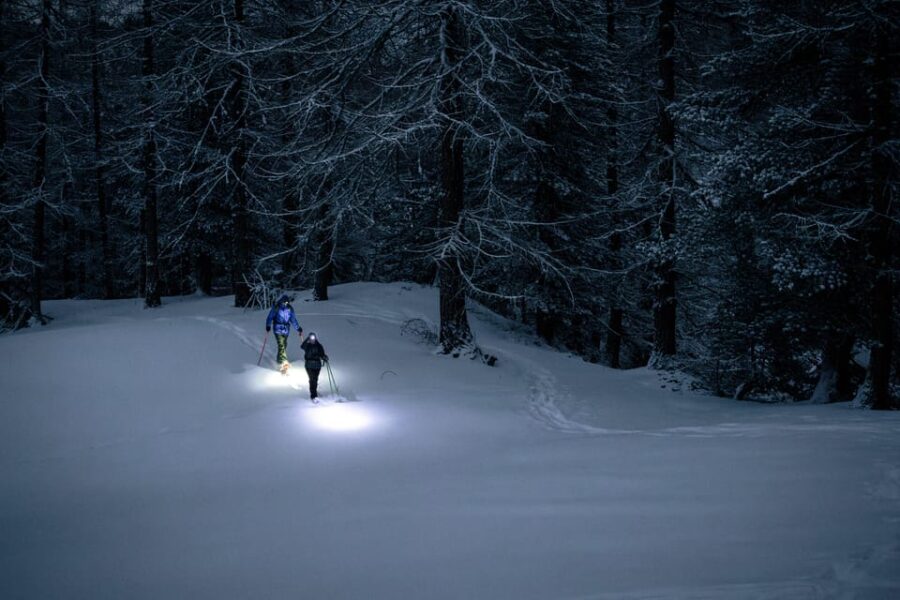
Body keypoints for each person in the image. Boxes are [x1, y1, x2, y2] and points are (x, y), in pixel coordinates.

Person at [266, 295, 302, 374]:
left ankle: (279, 360)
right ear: (282, 301)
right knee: (281, 344)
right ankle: (283, 362)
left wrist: (298, 328)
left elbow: (293, 320)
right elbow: (270, 317)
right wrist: (268, 326)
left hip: (286, 329)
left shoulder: (290, 309)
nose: (286, 303)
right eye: (285, 302)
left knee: (284, 344)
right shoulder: (276, 307)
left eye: (287, 302)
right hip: (277, 329)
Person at [300, 332, 328, 401]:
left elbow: (322, 354)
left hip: (317, 365)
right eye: (311, 338)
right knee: (312, 379)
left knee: (315, 379)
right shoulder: (307, 345)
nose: (312, 339)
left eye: (313, 338)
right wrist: (307, 339)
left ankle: (314, 390)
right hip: (309, 365)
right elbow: (302, 346)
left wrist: (324, 357)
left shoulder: (319, 345)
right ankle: (313, 394)